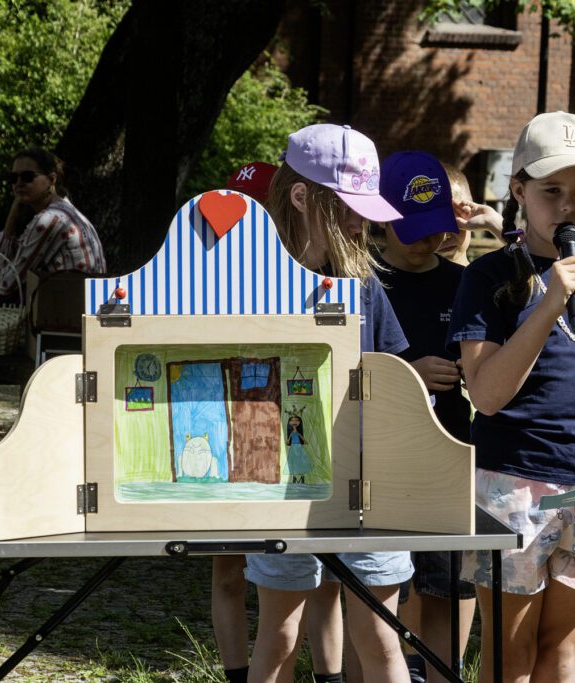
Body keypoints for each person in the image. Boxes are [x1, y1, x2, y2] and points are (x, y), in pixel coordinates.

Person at [447, 111, 575, 682]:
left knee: (562, 657)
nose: (569, 206)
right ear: (518, 190)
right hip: (513, 485)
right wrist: (547, 305)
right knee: (510, 657)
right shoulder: (488, 278)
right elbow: (486, 394)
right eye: (552, 190)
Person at [244, 124, 413, 683]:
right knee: (280, 636)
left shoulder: (365, 285)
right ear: (301, 196)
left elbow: (392, 377)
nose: (363, 220)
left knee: (380, 640)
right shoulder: (253, 283)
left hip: (365, 485)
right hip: (278, 486)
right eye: (350, 206)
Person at [375, 151, 475, 682]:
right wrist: (408, 370)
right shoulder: (363, 280)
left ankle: (443, 672)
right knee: (380, 583)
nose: (425, 241)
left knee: (448, 580)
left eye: (436, 229)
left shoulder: (461, 284)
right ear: (379, 218)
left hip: (447, 446)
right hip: (381, 452)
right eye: (411, 229)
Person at [209, 159, 283, 683]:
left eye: (256, 209)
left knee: (292, 574)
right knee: (228, 568)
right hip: (222, 420)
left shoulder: (294, 268)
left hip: (277, 423)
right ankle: (238, 674)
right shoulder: (203, 270)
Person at [0, 148, 105, 308]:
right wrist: (14, 212)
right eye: (13, 178)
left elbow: (5, 285)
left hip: (66, 310)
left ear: (52, 179)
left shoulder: (49, 220)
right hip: (71, 303)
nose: (19, 183)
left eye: (27, 177)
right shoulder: (65, 212)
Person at [440, 164, 504, 267]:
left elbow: (533, 261)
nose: (444, 236)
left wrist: (495, 223)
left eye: (453, 221)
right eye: (433, 225)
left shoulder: (488, 279)